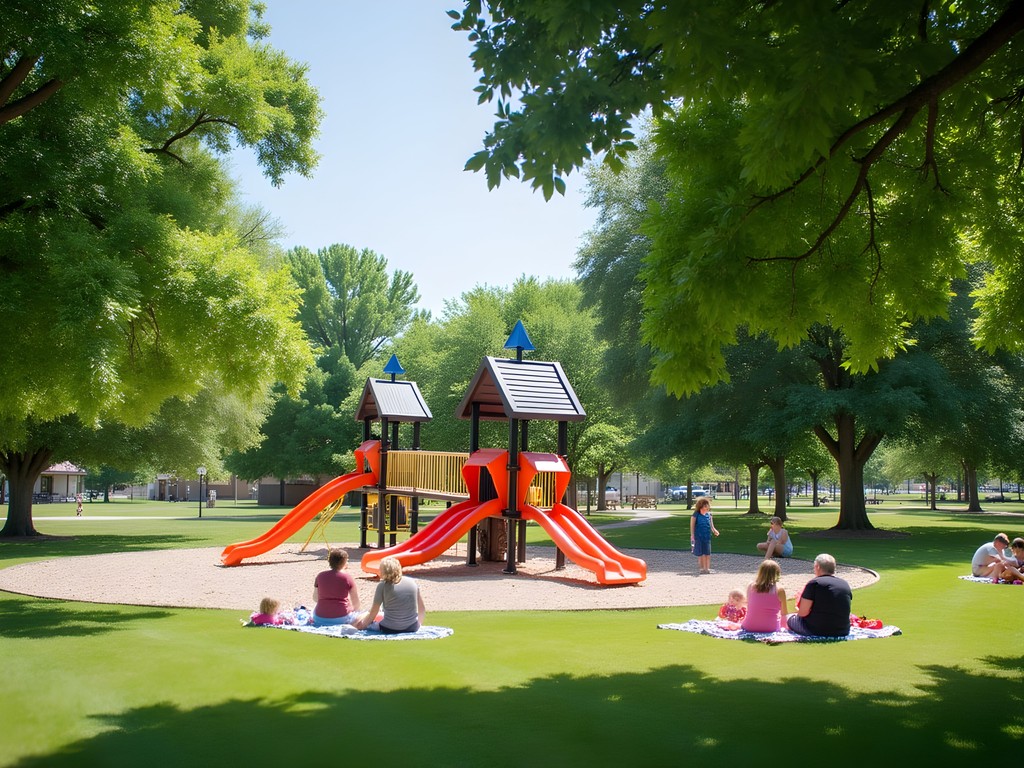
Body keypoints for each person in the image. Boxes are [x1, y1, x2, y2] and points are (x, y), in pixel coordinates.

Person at [352, 556, 425, 634]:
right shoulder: (412, 582)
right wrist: (419, 625)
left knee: (362, 616)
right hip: (412, 627)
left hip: (389, 628)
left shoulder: (383, 585)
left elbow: (373, 612)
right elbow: (422, 608)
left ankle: (353, 625)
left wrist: (362, 625)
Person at [787, 553, 852, 637]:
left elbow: (802, 613)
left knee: (788, 617)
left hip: (815, 630)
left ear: (817, 567)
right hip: (842, 630)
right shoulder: (844, 584)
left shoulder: (814, 583)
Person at [312, 548, 362, 627]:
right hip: (341, 617)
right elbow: (356, 603)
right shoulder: (347, 578)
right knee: (364, 615)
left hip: (319, 617)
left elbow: (315, 598)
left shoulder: (320, 576)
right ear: (344, 562)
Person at [742, 559, 789, 633]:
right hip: (771, 628)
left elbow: (749, 606)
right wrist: (784, 629)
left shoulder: (750, 586)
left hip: (749, 626)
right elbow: (784, 614)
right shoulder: (779, 590)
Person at [689, 496, 720, 574]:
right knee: (701, 554)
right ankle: (702, 568)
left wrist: (714, 530)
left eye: (707, 506)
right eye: (705, 506)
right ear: (701, 506)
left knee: (707, 553)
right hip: (698, 537)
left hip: (707, 537)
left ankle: (707, 568)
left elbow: (711, 525)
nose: (707, 507)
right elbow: (692, 525)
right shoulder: (696, 514)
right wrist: (692, 535)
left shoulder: (709, 515)